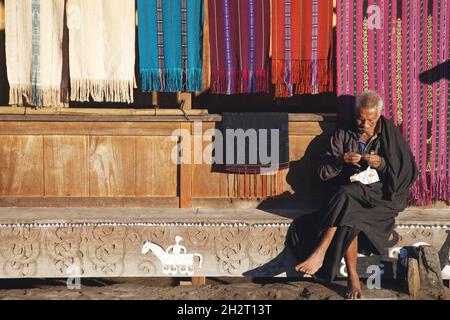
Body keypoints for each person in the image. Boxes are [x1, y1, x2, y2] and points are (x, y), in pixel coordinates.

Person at [287, 90, 418, 299]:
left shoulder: (390, 132)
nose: (365, 124)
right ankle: (353, 277)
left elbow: (406, 172)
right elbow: (322, 173)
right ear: (354, 114)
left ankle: (321, 251)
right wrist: (340, 160)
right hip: (350, 196)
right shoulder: (342, 134)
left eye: (370, 119)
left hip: (380, 199)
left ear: (379, 116)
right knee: (349, 204)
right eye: (360, 118)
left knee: (346, 198)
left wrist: (382, 164)